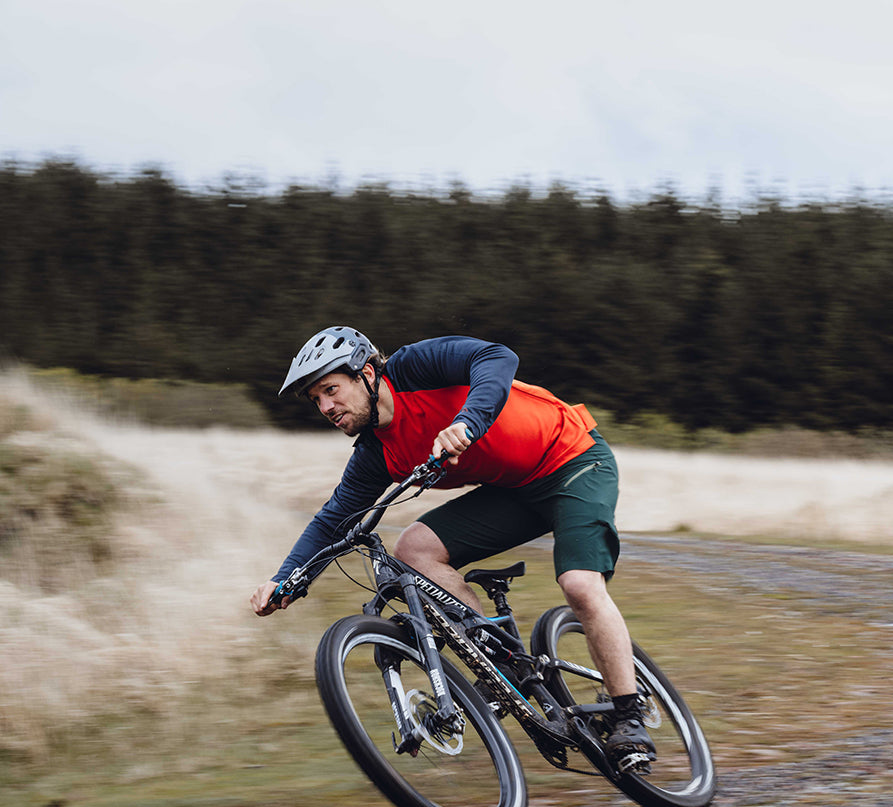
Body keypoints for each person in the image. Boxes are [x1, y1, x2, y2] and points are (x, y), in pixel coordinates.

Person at [250, 326, 656, 771]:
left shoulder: (413, 368)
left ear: (367, 373)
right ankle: (503, 667)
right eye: (316, 400)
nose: (326, 407)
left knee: (579, 585)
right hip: (513, 489)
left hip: (573, 459)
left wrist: (467, 422)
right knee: (413, 548)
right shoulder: (374, 455)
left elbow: (498, 357)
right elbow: (333, 520)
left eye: (331, 390)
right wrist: (288, 579)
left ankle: (628, 713)